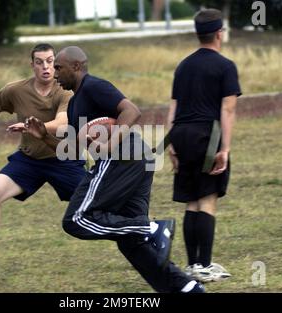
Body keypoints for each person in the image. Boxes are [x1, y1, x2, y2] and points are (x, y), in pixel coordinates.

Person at [23, 46, 205, 293]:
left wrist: (110, 143)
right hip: (137, 160)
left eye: (59, 67)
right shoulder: (76, 104)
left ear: (76, 67)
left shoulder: (95, 86)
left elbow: (131, 110)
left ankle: (152, 228)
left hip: (123, 157)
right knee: (132, 242)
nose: (54, 73)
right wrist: (43, 135)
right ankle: (187, 288)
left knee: (77, 219)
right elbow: (73, 149)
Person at [0, 43, 86, 278]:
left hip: (64, 159)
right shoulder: (16, 90)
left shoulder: (65, 91)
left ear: (56, 64)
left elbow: (63, 122)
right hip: (29, 160)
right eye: (39, 62)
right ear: (32, 65)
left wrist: (35, 127)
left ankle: (149, 230)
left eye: (50, 61)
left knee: (96, 204)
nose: (46, 67)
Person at [167, 8, 242, 283]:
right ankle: (206, 266)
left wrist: (170, 143)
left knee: (191, 201)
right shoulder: (225, 66)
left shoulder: (183, 66)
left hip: (182, 135)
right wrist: (225, 148)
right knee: (208, 199)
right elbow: (228, 108)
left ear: (198, 34)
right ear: (219, 33)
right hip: (207, 135)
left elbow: (173, 107)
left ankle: (193, 266)